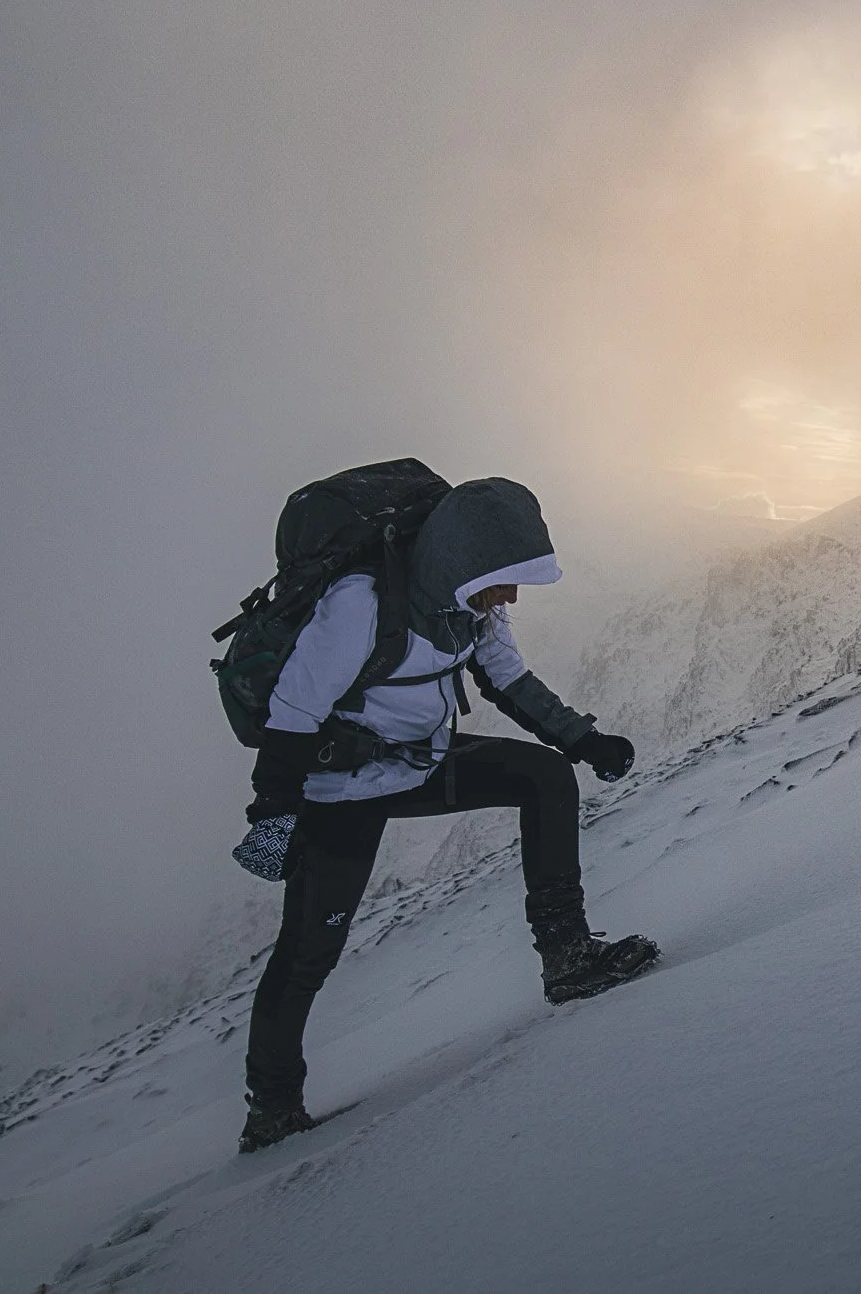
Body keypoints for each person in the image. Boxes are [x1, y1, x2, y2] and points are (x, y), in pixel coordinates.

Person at [234, 477, 654, 1153]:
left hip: (419, 762)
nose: (510, 597)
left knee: (544, 777)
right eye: (504, 581)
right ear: (466, 561)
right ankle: (273, 1110)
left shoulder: (471, 601)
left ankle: (567, 957)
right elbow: (292, 715)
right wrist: (274, 818)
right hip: (340, 789)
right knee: (310, 951)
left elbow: (507, 677)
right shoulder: (360, 604)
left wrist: (580, 739)